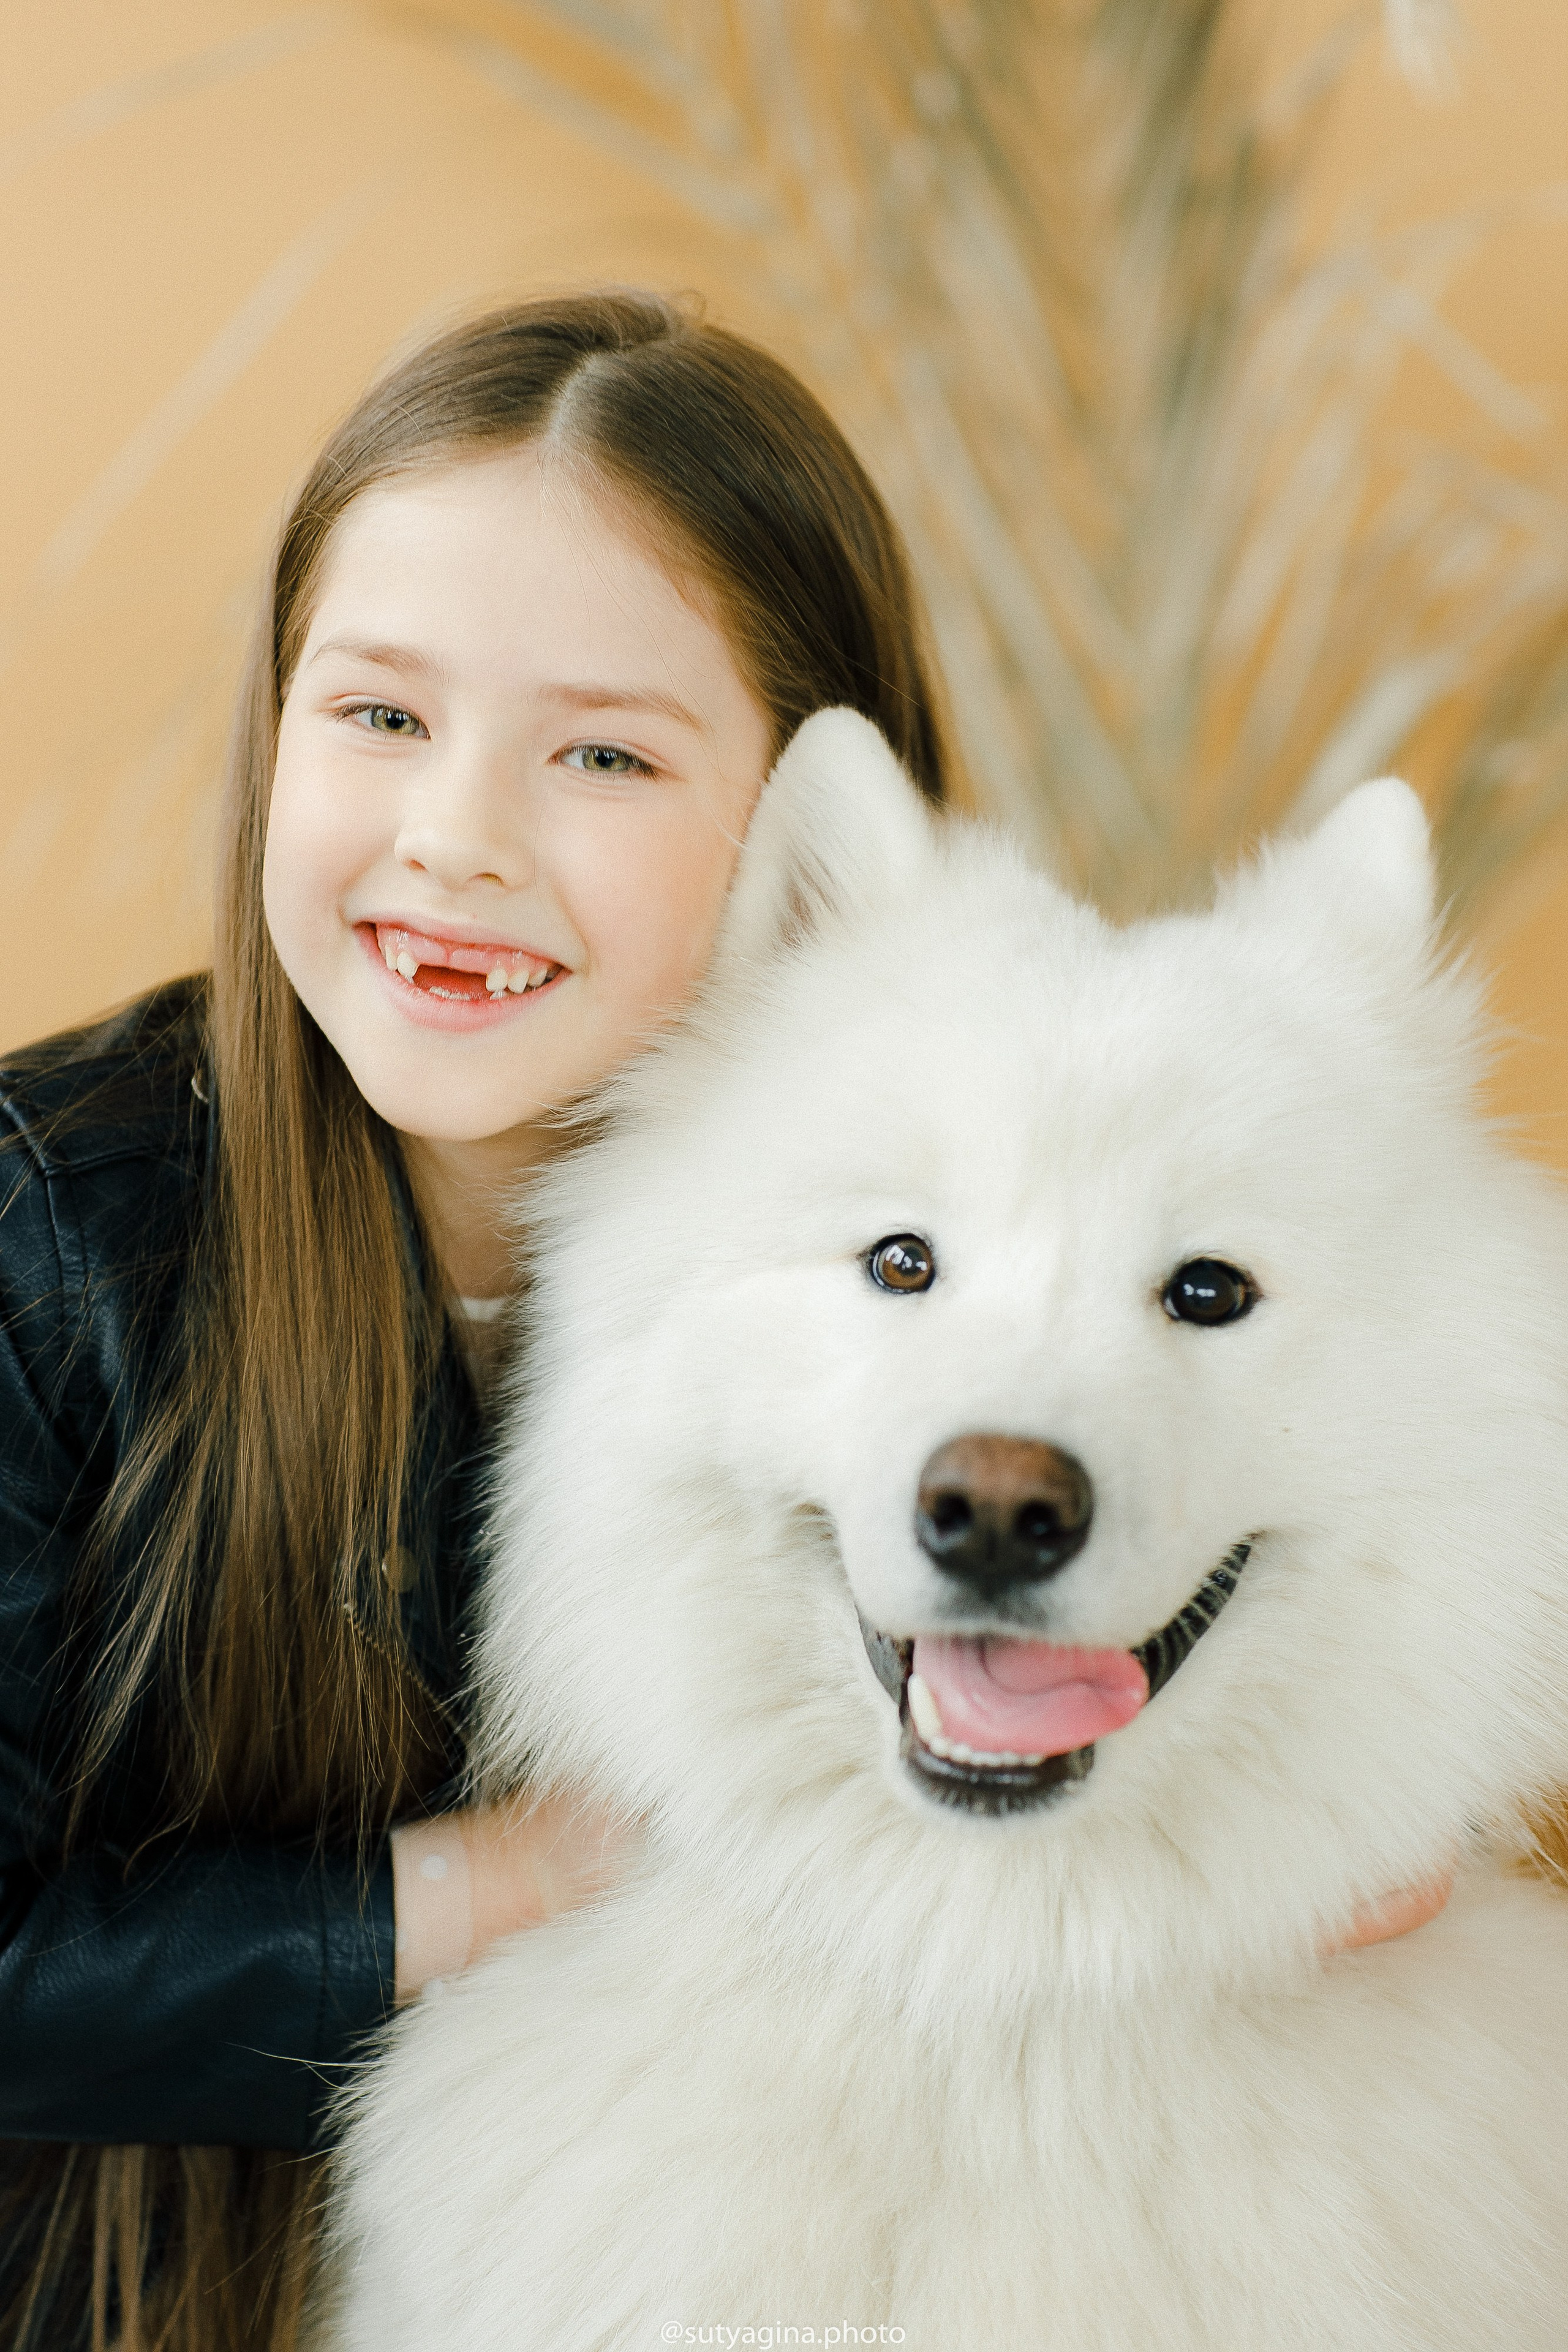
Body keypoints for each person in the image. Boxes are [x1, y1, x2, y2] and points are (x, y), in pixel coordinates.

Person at [0, 289, 1448, 2352]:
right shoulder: (45, 1224)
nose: (457, 838)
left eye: (600, 750)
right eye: (381, 715)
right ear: (272, 721)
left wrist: (1310, 1843)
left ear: (801, 835)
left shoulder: (963, 1185)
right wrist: (496, 1884)